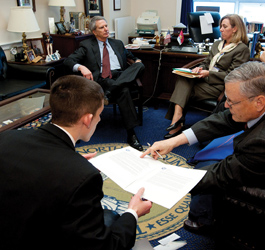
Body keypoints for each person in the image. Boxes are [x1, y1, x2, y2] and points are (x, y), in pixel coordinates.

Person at [142, 61, 265, 234]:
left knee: (205, 168)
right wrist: (174, 141)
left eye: (231, 101)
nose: (225, 104)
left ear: (259, 101)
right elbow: (225, 118)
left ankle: (204, 219)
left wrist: (161, 178)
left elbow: (219, 175)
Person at [0, 75, 153, 250]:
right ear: (87, 119)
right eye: (99, 115)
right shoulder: (83, 177)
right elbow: (107, 247)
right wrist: (133, 212)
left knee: (108, 216)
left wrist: (70, 161)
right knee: (113, 217)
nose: (100, 120)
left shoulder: (5, 137)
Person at [64, 16, 145, 151]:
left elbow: (132, 57)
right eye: (102, 27)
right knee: (123, 90)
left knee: (140, 66)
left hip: (120, 75)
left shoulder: (117, 43)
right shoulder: (87, 45)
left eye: (106, 26)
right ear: (94, 32)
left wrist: (137, 61)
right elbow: (68, 61)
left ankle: (110, 92)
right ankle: (131, 134)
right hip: (102, 78)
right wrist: (81, 67)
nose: (106, 29)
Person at [164, 14, 250, 139]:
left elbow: (234, 75)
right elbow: (207, 62)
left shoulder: (241, 49)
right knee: (183, 77)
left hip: (219, 86)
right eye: (220, 26)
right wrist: (200, 68)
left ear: (235, 28)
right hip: (204, 81)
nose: (220, 29)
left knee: (183, 90)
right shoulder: (217, 45)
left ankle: (177, 122)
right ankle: (177, 118)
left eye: (224, 26)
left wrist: (209, 73)